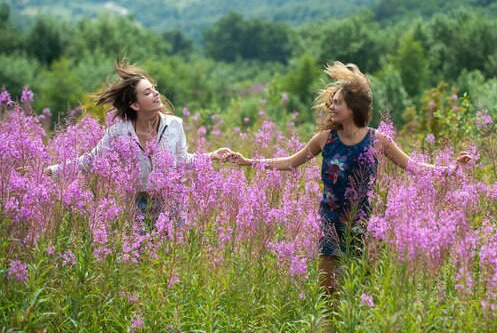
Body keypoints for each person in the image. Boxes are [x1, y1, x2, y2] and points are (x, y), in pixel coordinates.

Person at [227, 61, 472, 294]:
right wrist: (249, 162)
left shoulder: (378, 141)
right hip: (330, 222)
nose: (331, 107)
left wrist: (452, 169)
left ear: (353, 107)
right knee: (327, 288)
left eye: (337, 103)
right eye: (331, 102)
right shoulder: (326, 139)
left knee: (361, 289)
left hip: (364, 225)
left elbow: (415, 166)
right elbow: (291, 162)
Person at [45, 60, 230, 224]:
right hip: (138, 206)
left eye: (154, 89)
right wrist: (50, 171)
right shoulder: (118, 133)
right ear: (135, 105)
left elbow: (181, 160)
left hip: (172, 203)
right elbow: (89, 161)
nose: (156, 94)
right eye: (148, 93)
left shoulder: (174, 125)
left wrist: (211, 156)